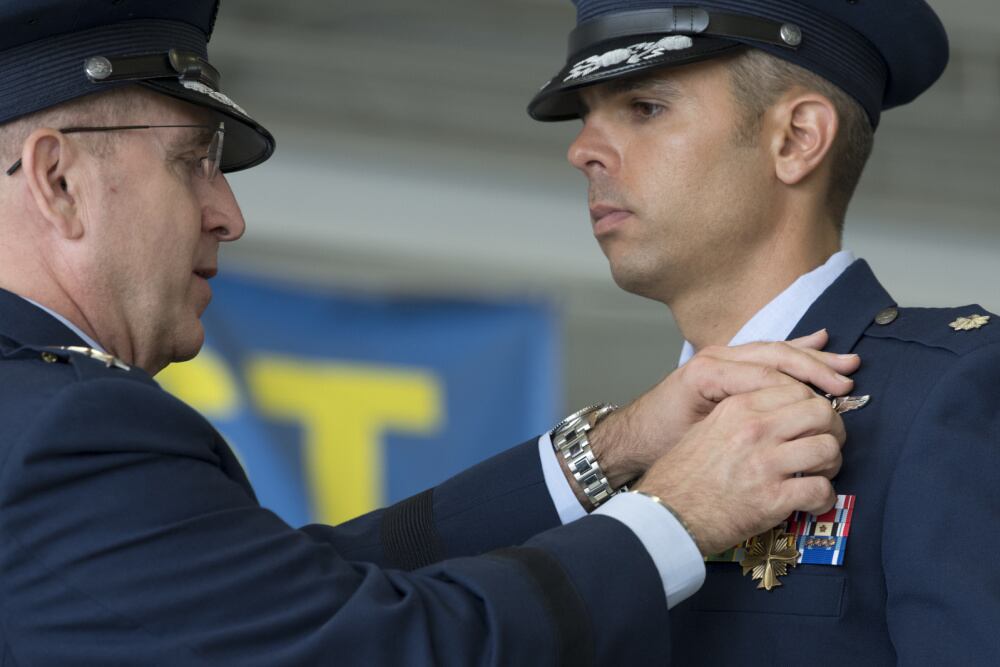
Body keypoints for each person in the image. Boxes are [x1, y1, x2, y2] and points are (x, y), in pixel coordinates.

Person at [0, 1, 860, 664]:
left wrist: (610, 448)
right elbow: (379, 644)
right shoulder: (63, 430)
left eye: (644, 107)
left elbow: (315, 585)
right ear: (57, 179)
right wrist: (676, 513)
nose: (227, 214)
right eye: (193, 160)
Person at [528, 0, 1000, 663]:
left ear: (797, 137)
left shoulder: (955, 394)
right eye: (585, 117)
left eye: (643, 107)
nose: (582, 150)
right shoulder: (634, 446)